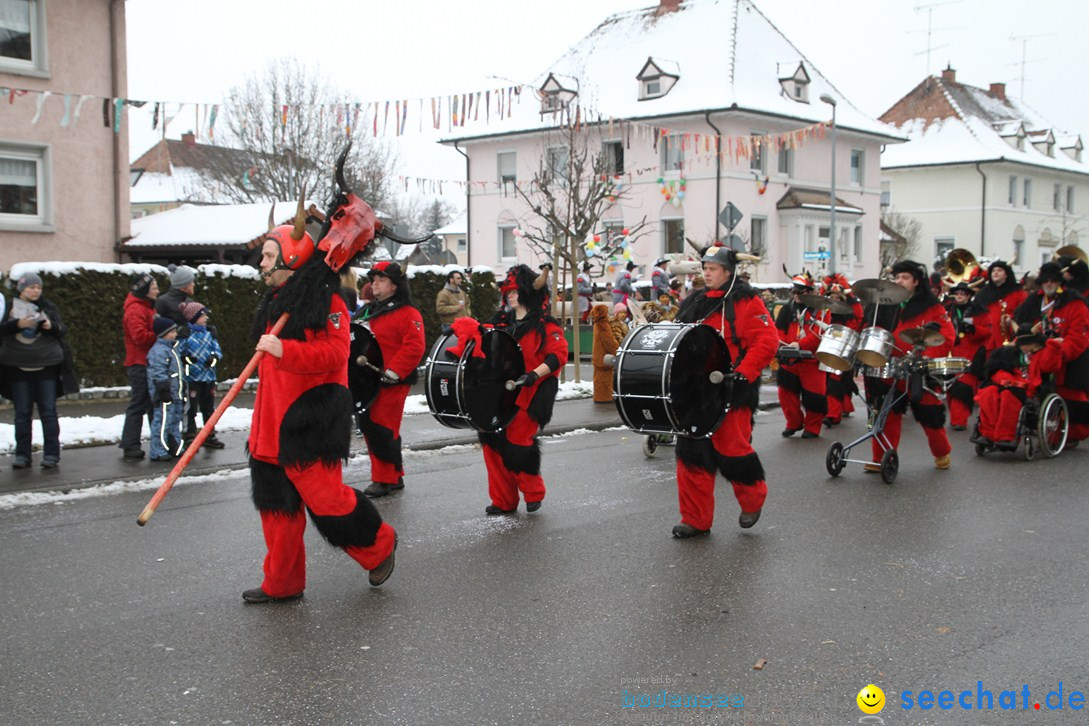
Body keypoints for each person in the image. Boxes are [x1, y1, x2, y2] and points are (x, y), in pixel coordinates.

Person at [244, 215, 397, 604]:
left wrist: (286, 350)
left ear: (290, 259)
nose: (261, 263)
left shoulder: (328, 301)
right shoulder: (277, 303)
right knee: (277, 510)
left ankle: (379, 546)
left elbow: (336, 352)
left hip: (307, 421)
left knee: (328, 502)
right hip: (271, 423)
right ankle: (282, 583)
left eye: (267, 256)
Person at [671, 246, 778, 538]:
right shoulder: (695, 300)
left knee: (732, 448)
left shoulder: (747, 301)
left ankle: (753, 498)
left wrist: (744, 372)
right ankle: (695, 519)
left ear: (728, 271)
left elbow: (767, 340)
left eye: (713, 268)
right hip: (695, 390)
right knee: (692, 454)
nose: (706, 272)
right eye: (704, 267)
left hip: (733, 387)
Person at [472, 264, 567, 514]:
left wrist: (535, 374)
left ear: (528, 294)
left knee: (517, 441)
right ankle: (503, 500)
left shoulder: (545, 325)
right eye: (508, 292)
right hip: (500, 394)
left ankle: (533, 492)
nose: (509, 296)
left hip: (531, 394)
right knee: (491, 443)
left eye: (514, 291)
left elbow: (558, 355)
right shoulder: (500, 323)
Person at [863, 260, 956, 471]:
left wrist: (925, 356)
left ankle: (942, 452)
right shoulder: (886, 303)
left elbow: (947, 337)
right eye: (897, 277)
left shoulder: (932, 307)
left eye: (904, 277)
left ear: (916, 281)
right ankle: (881, 458)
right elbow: (875, 329)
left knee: (929, 414)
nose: (899, 281)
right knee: (885, 411)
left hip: (919, 368)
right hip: (891, 365)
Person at [354, 261, 426, 497]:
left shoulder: (409, 313)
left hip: (392, 380)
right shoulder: (371, 309)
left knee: (382, 428)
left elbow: (415, 347)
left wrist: (394, 372)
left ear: (395, 286)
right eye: (373, 279)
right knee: (371, 426)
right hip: (368, 380)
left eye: (381, 280)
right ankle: (394, 476)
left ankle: (383, 479)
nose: (374, 284)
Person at [0, 272, 78, 469]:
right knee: (22, 413)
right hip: (17, 367)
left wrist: (49, 325)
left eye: (38, 287)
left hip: (46, 367)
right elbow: (2, 330)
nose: (35, 291)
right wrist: (16, 324)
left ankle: (51, 454)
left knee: (48, 412)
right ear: (21, 289)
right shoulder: (10, 307)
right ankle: (22, 455)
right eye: (31, 287)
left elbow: (62, 330)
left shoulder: (48, 307)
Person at [1013, 261, 1089, 445]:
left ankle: (1070, 432)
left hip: (1067, 358)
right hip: (1036, 354)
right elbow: (1020, 322)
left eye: (1053, 280)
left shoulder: (1075, 303)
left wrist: (1059, 352)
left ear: (1060, 282)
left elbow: (1079, 336)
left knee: (1073, 397)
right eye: (1045, 281)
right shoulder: (1033, 301)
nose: (1049, 284)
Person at [974, 325, 1062, 446]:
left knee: (1008, 396)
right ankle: (987, 434)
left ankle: (1006, 435)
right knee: (988, 393)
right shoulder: (1011, 353)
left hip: (1028, 388)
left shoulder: (1042, 354)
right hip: (1007, 383)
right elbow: (998, 369)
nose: (1025, 347)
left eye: (1028, 344)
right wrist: (1005, 380)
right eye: (1022, 345)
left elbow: (1049, 366)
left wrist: (1053, 346)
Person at [775, 274, 826, 438]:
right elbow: (779, 331)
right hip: (789, 359)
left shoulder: (821, 311)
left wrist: (801, 345)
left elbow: (819, 334)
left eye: (800, 291)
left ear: (810, 292)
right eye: (794, 290)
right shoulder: (786, 309)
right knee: (785, 393)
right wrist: (781, 345)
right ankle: (794, 422)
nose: (796, 294)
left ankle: (812, 427)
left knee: (814, 396)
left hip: (811, 360)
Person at [120, 272, 159, 460]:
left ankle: (158, 442)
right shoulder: (136, 309)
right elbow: (140, 337)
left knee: (152, 404)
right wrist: (162, 334)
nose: (158, 291)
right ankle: (130, 444)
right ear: (144, 290)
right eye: (154, 287)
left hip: (148, 362)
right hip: (140, 363)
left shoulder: (146, 307)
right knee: (139, 404)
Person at [944, 282, 990, 430]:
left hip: (970, 352)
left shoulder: (979, 311)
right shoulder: (949, 310)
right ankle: (955, 418)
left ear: (969, 296)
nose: (959, 296)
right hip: (951, 351)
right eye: (957, 294)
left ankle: (959, 420)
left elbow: (988, 331)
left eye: (962, 294)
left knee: (963, 386)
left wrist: (973, 329)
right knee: (951, 386)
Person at [179, 301, 225, 449]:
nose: (205, 318)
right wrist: (187, 359)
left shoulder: (209, 334)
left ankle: (209, 434)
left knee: (208, 408)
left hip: (209, 377)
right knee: (191, 408)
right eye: (202, 315)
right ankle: (189, 435)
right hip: (191, 377)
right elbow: (180, 351)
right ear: (193, 317)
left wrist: (214, 358)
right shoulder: (186, 334)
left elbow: (217, 351)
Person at [818, 274, 862, 427]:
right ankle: (841, 407)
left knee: (836, 381)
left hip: (842, 349)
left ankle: (833, 414)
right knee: (827, 380)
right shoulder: (823, 312)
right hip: (825, 348)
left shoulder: (849, 313)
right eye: (832, 296)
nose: (835, 298)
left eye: (838, 296)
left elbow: (856, 326)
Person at [147, 317, 185, 462]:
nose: (175, 334)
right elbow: (158, 371)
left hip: (175, 393)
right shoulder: (159, 351)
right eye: (172, 332)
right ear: (164, 333)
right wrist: (163, 389)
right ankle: (158, 450)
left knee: (175, 421)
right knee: (162, 422)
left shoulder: (173, 349)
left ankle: (175, 445)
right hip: (165, 394)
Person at [156, 264, 197, 338]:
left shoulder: (190, 302)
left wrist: (207, 328)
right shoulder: (162, 302)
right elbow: (156, 325)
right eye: (191, 282)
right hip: (171, 347)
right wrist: (177, 330)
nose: (194, 284)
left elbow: (195, 323)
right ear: (184, 285)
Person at [589, 303, 618, 403]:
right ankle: (604, 397)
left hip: (598, 356)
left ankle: (599, 396)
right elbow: (609, 342)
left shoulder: (597, 324)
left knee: (598, 377)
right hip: (604, 357)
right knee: (605, 379)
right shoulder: (603, 326)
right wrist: (617, 350)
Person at [436, 268, 472, 333]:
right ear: (451, 280)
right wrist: (457, 308)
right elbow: (440, 309)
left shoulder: (462, 292)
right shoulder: (443, 293)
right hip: (450, 326)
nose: (461, 280)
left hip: (463, 325)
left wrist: (468, 315)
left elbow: (467, 304)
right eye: (458, 278)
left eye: (460, 278)